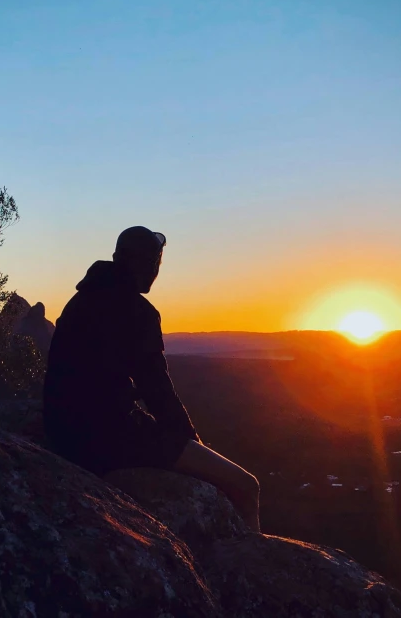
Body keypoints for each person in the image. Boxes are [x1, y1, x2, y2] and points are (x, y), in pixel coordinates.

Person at [43, 226, 260, 532]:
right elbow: (157, 388)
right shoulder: (138, 311)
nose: (156, 270)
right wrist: (189, 440)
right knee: (247, 486)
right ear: (148, 264)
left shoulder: (78, 302)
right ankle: (255, 565)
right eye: (156, 262)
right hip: (111, 436)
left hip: (64, 433)